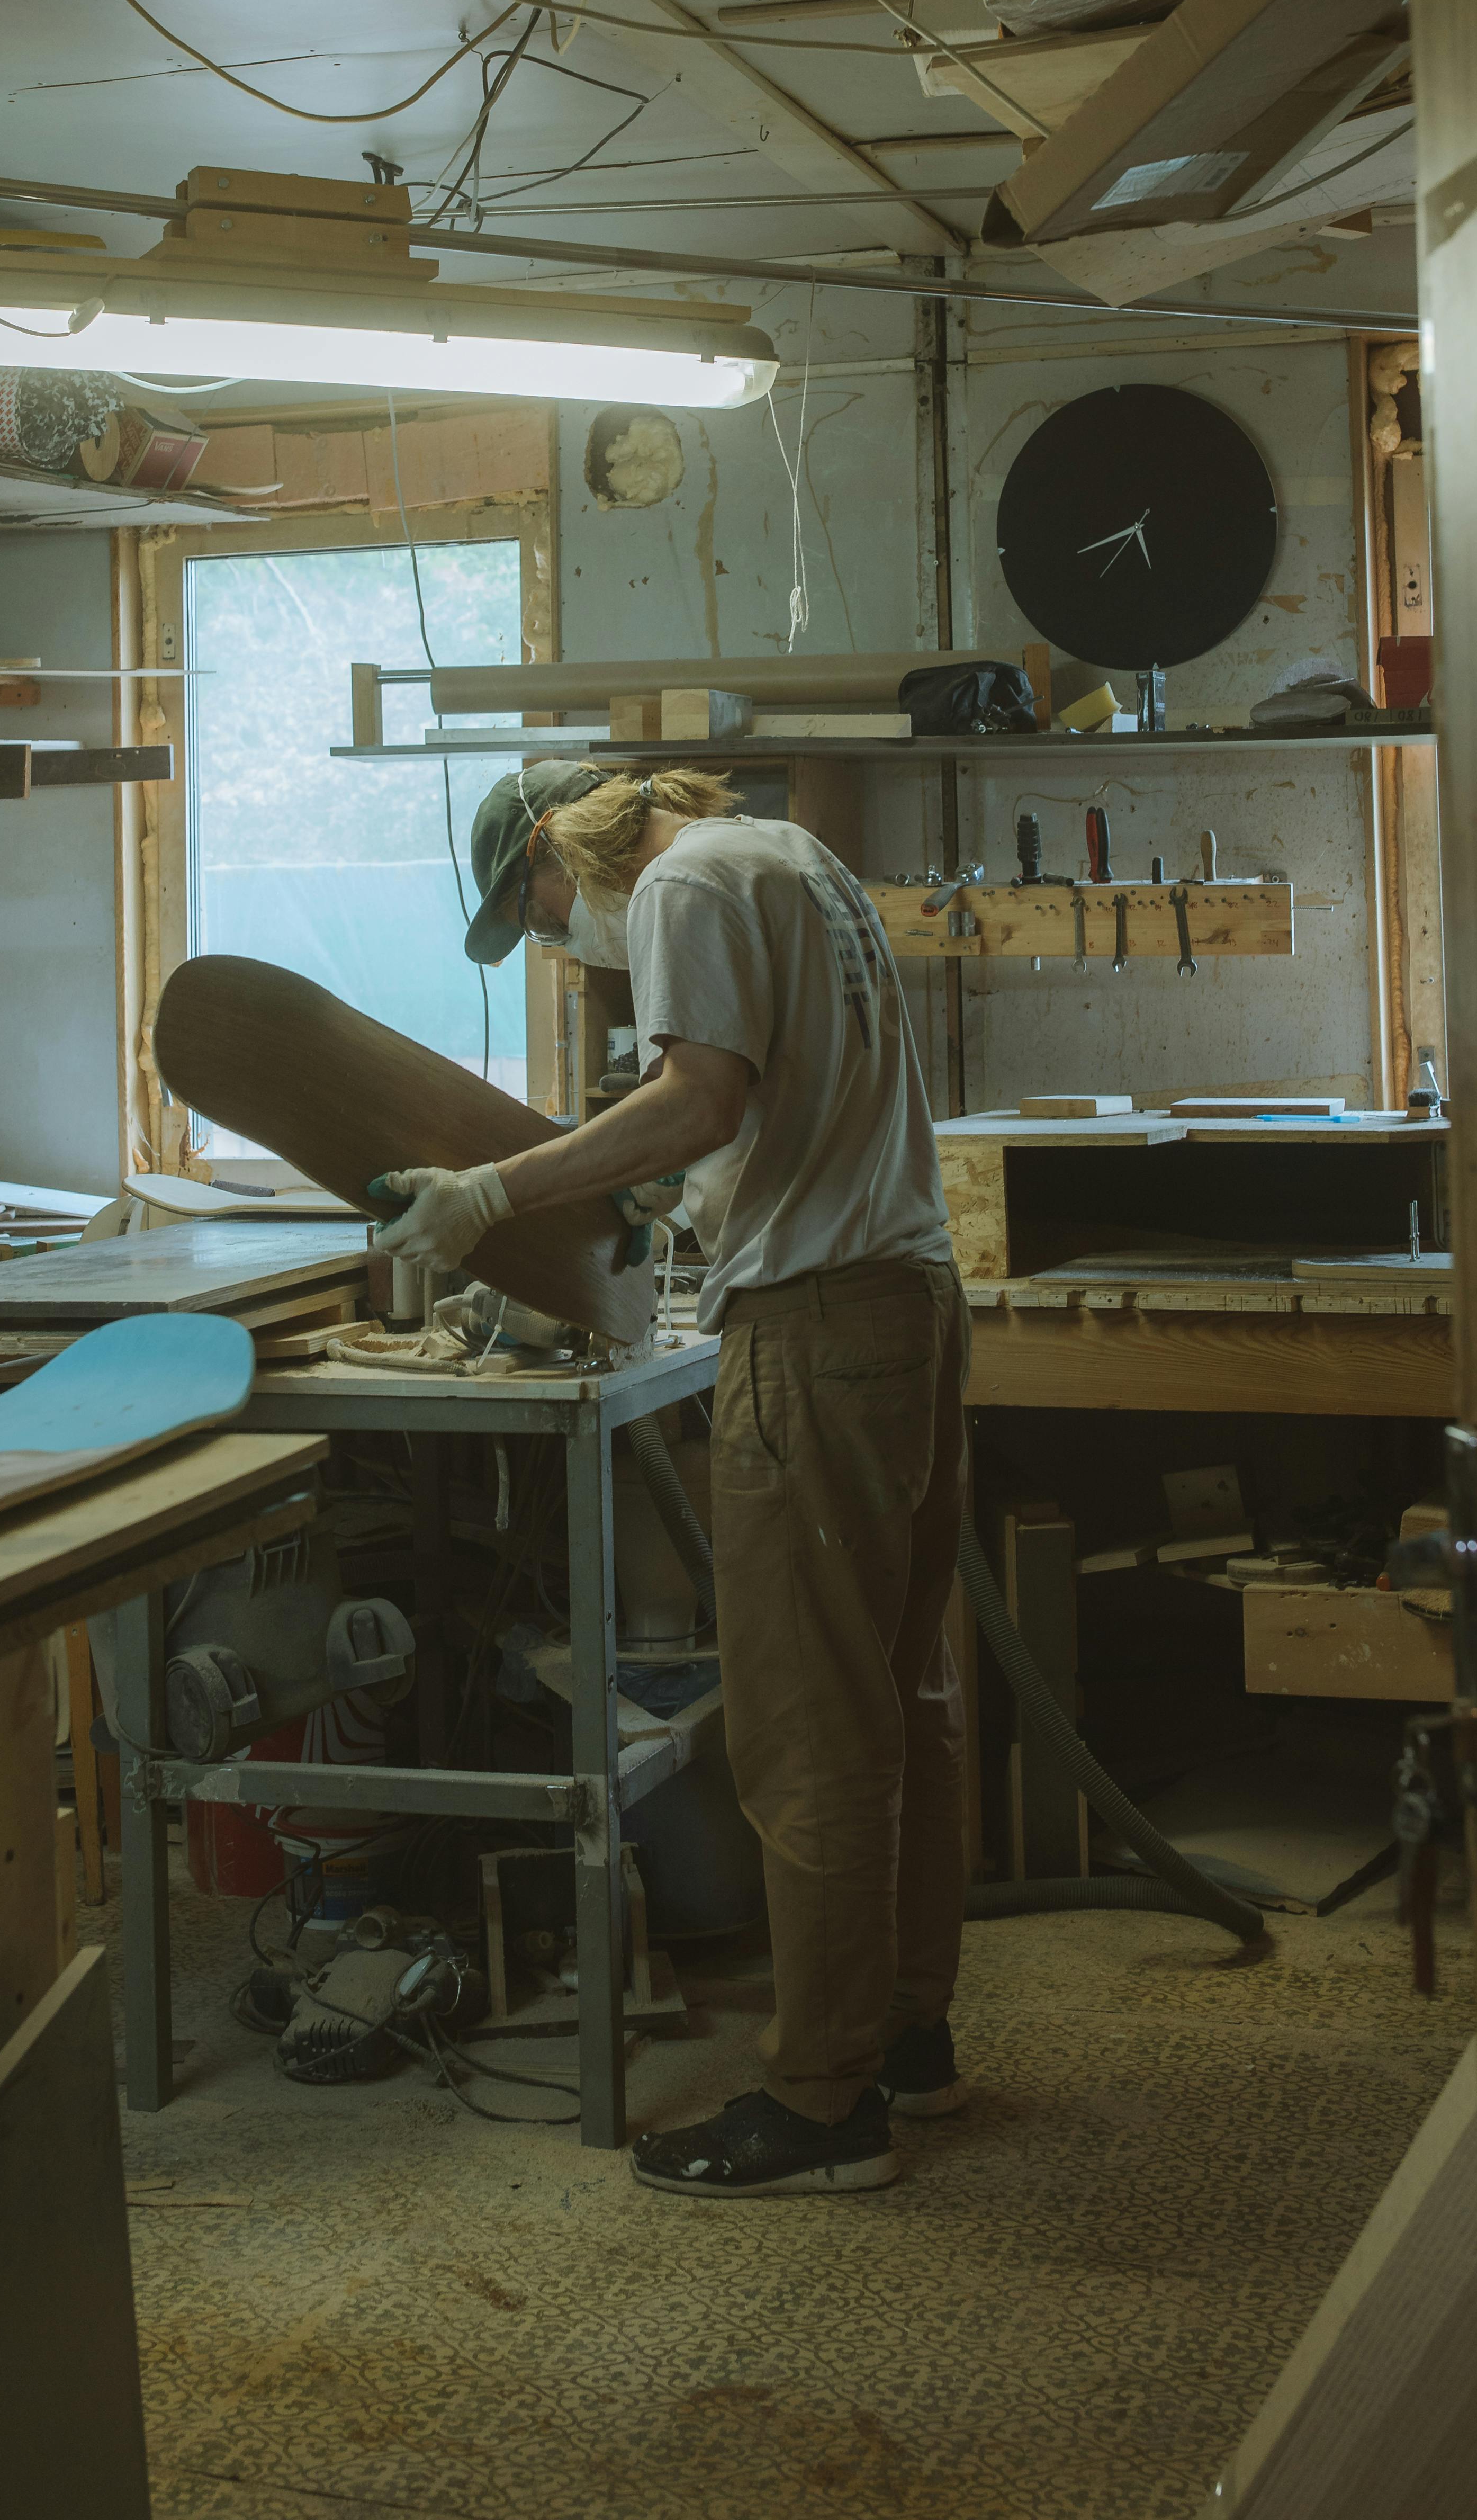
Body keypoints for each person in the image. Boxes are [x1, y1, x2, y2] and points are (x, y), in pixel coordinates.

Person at [373, 760, 972, 2198]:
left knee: (806, 1730)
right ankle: (902, 2038)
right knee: (899, 1696)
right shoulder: (790, 858)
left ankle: (825, 2111)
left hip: (817, 1327)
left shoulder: (686, 884)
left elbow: (701, 1094)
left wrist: (495, 1193)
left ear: (558, 852)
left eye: (539, 910)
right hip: (905, 1299)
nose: (563, 936)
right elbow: (764, 1106)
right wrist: (651, 1191)